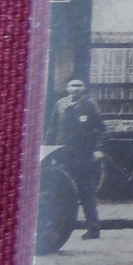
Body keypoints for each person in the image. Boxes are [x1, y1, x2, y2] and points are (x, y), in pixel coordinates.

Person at [50, 77, 104, 239]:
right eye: (73, 85)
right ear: (67, 88)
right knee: (60, 193)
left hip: (83, 156)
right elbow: (51, 129)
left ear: (84, 88)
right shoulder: (60, 104)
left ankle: (93, 228)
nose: (76, 88)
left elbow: (101, 129)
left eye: (79, 85)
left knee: (86, 192)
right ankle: (58, 229)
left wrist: (98, 149)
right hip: (62, 155)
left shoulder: (90, 105)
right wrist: (47, 150)